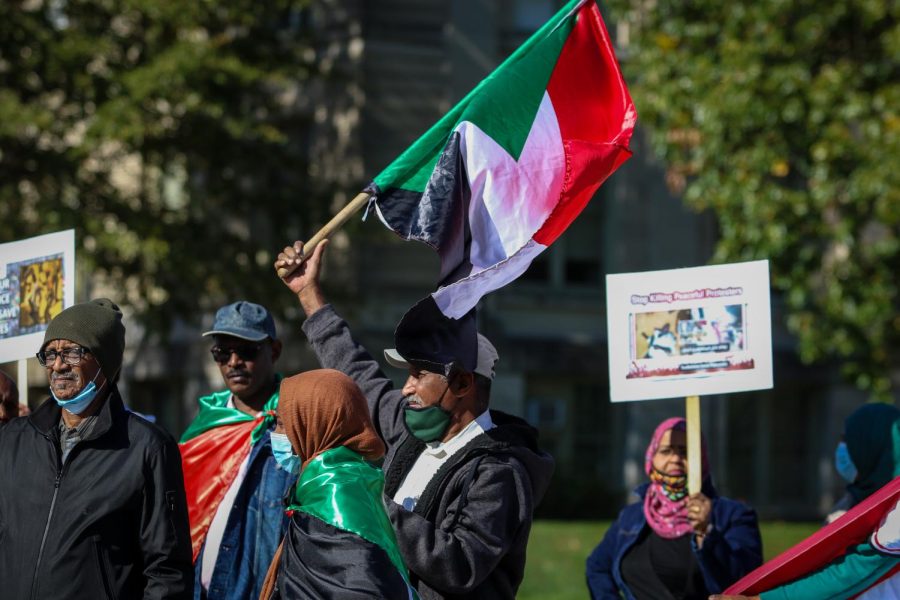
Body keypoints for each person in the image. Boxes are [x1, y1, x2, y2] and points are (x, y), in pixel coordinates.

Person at [274, 239, 554, 599]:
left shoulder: (499, 471)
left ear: (463, 382)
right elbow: (357, 373)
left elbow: (460, 564)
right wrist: (308, 294)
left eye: (419, 375)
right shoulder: (408, 430)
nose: (405, 388)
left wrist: (368, 499)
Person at [0, 298, 193, 599]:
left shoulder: (146, 447)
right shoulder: (13, 440)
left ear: (104, 361)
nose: (59, 365)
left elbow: (167, 571)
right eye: (50, 354)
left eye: (73, 352)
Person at [712, 403, 900, 600]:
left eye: (847, 439)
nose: (840, 447)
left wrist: (765, 598)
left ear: (872, 444)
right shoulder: (850, 502)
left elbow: (859, 567)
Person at [259, 369, 415, 599]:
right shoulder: (352, 479)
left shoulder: (333, 502)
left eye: (283, 424)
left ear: (314, 425)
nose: (275, 433)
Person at [179, 301, 295, 600]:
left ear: (275, 351)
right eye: (222, 352)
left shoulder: (297, 425)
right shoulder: (206, 425)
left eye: (247, 351)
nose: (233, 362)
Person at [586, 417, 762, 600]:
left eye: (685, 452)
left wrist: (707, 534)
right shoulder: (632, 516)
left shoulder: (734, 515)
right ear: (651, 457)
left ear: (701, 458)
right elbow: (597, 567)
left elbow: (746, 581)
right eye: (666, 450)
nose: (676, 459)